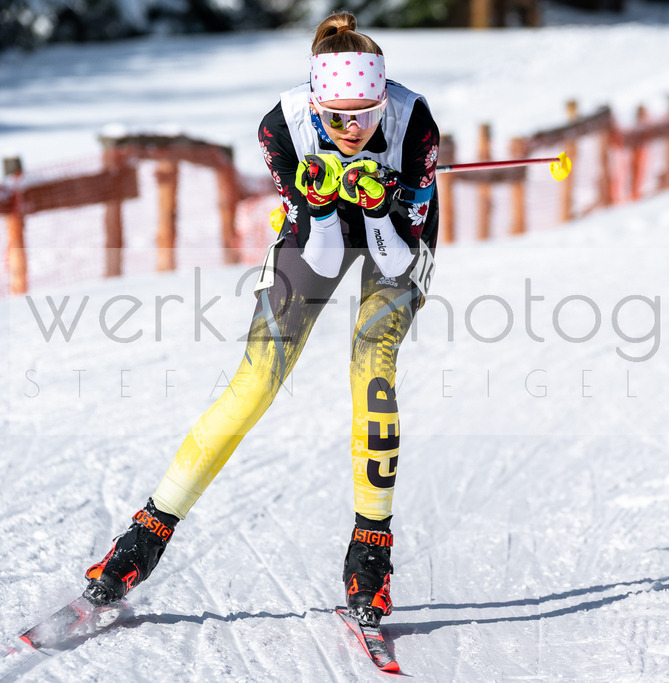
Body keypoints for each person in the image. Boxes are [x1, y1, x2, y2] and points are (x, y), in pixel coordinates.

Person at [81, 11, 440, 629]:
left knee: (371, 366)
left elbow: (397, 254)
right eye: (338, 117)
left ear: (386, 101)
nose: (353, 129)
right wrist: (323, 201)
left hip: (396, 236)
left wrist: (383, 205)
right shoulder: (285, 127)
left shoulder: (414, 125)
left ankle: (371, 554)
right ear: (315, 104)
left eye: (367, 114)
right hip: (319, 229)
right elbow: (323, 250)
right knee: (256, 380)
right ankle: (142, 537)